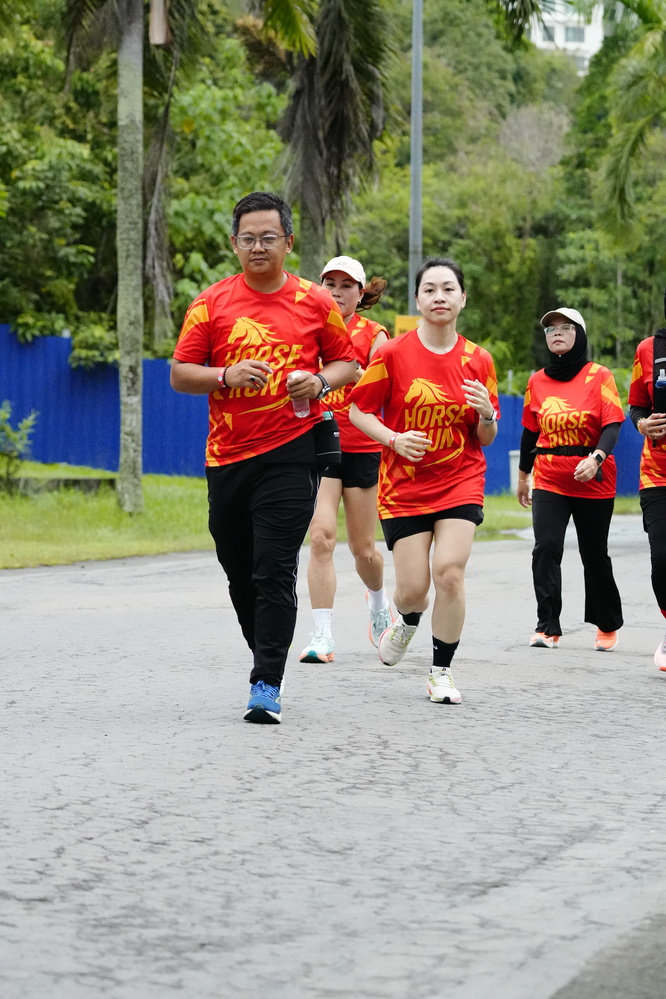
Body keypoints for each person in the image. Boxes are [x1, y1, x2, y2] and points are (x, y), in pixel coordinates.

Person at [170, 192, 356, 724]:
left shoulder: (314, 301)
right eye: (248, 238)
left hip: (291, 452)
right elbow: (180, 373)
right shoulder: (211, 304)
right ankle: (267, 649)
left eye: (268, 237)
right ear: (234, 244)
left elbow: (347, 363)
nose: (258, 246)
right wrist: (224, 375)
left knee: (274, 568)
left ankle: (266, 681)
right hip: (227, 457)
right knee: (239, 570)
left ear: (288, 242)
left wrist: (317, 382)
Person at [348, 257, 499, 705]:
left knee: (449, 572)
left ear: (462, 298)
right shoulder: (392, 354)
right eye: (430, 289)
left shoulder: (479, 360)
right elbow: (358, 410)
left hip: (460, 479)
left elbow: (486, 437)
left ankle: (441, 672)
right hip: (405, 487)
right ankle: (408, 618)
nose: (439, 297)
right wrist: (393, 439)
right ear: (417, 300)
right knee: (414, 591)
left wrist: (487, 414)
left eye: (448, 289)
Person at [299, 255, 393, 664]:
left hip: (362, 446)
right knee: (321, 536)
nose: (337, 292)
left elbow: (388, 388)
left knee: (363, 550)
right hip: (319, 442)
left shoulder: (375, 334)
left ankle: (378, 603)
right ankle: (322, 635)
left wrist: (352, 373)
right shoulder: (307, 327)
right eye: (330, 283)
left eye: (346, 285)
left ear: (360, 293)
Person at [516, 307, 624, 651]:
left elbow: (612, 425)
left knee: (594, 554)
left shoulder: (600, 375)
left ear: (580, 334)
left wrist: (596, 458)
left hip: (593, 476)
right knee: (546, 547)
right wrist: (523, 475)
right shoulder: (537, 381)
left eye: (565, 327)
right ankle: (547, 626)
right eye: (551, 330)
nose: (557, 333)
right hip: (550, 477)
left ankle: (606, 623)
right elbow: (530, 432)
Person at [628, 311, 666, 670]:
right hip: (657, 474)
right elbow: (636, 406)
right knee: (662, 560)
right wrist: (642, 423)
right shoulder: (648, 349)